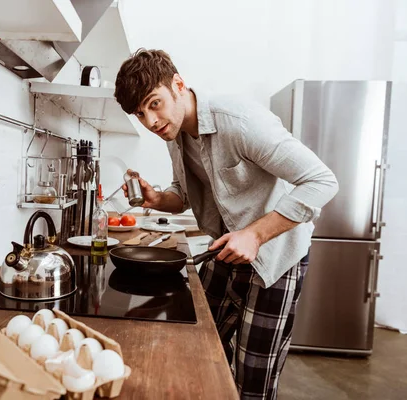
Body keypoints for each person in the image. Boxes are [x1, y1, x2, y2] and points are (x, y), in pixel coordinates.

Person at [114, 49, 339, 399]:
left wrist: (255, 234)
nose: (151, 122)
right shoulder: (174, 133)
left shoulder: (239, 120)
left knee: (253, 379)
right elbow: (184, 192)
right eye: (140, 114)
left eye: (153, 104)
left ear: (178, 84)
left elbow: (322, 181)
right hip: (226, 251)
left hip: (275, 258)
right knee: (197, 349)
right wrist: (159, 200)